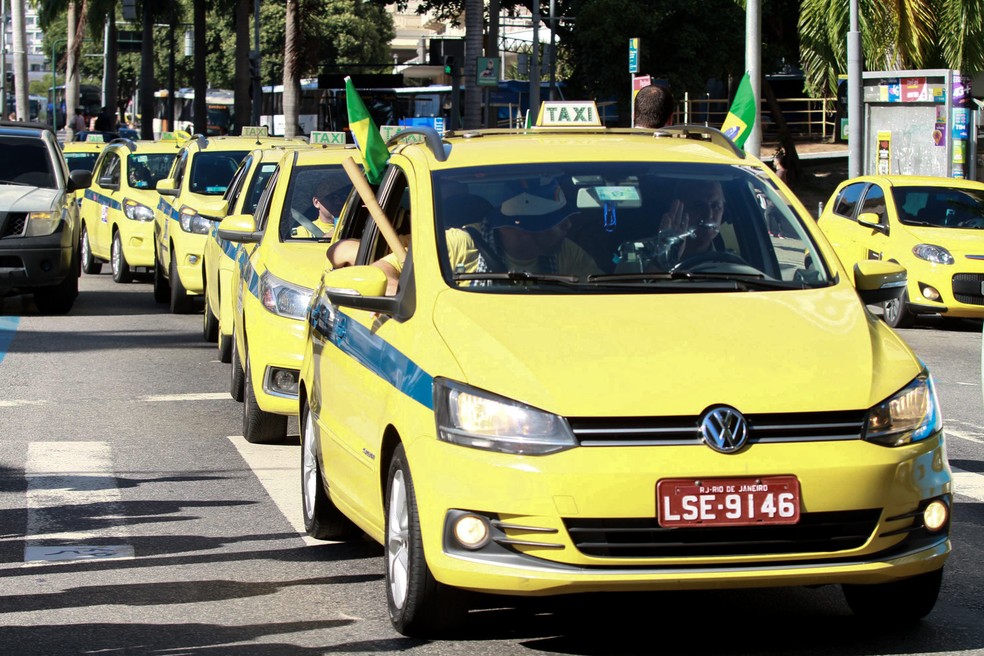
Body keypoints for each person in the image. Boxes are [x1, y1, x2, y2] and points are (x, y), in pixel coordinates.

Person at [654, 179, 726, 267]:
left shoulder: (730, 266)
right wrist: (665, 259)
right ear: (676, 209)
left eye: (715, 206)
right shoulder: (642, 257)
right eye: (698, 205)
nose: (709, 214)